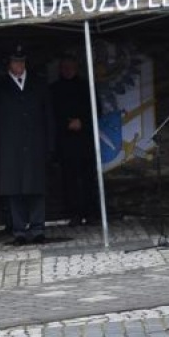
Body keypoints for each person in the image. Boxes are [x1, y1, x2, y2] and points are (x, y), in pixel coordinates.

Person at [0, 45, 53, 244]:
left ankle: (38, 228)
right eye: (15, 62)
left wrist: (50, 145)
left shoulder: (38, 83)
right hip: (10, 147)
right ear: (9, 64)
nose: (19, 66)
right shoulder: (1, 85)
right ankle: (19, 230)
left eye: (21, 62)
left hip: (35, 144)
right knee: (15, 190)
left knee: (37, 188)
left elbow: (48, 115)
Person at [50, 53, 97, 228]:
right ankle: (74, 214)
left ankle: (91, 213)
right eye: (64, 68)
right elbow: (51, 114)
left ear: (76, 68)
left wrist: (82, 122)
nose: (67, 70)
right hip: (66, 142)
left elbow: (95, 109)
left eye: (70, 67)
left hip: (84, 140)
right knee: (69, 180)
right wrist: (66, 124)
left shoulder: (86, 86)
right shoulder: (54, 89)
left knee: (88, 179)